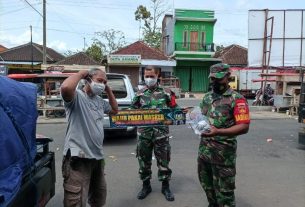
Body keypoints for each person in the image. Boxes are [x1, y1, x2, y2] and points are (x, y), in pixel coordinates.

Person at [60, 68, 118, 207]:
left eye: (105, 82)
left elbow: (115, 110)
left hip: (97, 157)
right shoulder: (77, 97)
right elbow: (66, 87)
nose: (102, 84)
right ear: (88, 79)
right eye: (100, 81)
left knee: (98, 198)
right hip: (78, 157)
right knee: (76, 201)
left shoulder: (99, 101)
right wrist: (80, 74)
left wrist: (108, 89)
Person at [198, 63, 250, 207]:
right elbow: (202, 118)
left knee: (225, 194)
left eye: (219, 79)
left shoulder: (237, 99)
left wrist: (219, 131)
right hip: (204, 153)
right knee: (208, 187)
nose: (215, 82)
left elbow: (244, 127)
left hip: (223, 156)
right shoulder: (207, 97)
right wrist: (191, 116)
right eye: (213, 79)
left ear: (228, 76)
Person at [130, 65, 177, 202]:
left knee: (164, 161)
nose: (149, 79)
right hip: (144, 134)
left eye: (151, 76)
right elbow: (132, 110)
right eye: (146, 76)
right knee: (143, 161)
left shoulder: (167, 93)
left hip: (161, 134)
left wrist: (180, 113)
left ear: (158, 77)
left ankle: (165, 186)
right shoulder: (139, 94)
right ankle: (146, 186)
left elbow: (175, 109)